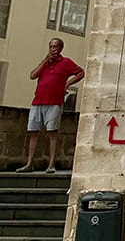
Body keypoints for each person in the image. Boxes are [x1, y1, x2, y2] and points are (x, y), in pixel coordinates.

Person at [17, 38, 84, 174]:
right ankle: (29, 163)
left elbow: (80, 72)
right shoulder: (45, 63)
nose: (53, 49)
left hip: (54, 102)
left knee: (52, 133)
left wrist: (67, 84)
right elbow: (33, 75)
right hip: (38, 102)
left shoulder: (66, 62)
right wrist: (44, 61)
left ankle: (51, 164)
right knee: (33, 132)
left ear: (60, 48)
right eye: (51, 46)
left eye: (55, 46)